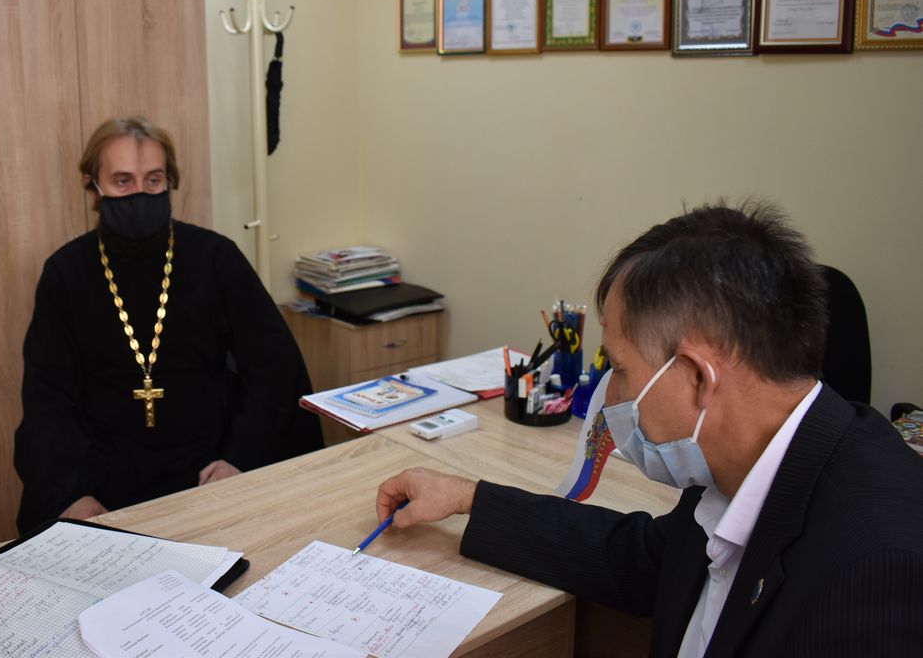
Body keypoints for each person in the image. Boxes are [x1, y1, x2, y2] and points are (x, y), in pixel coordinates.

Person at [376, 202, 923, 657]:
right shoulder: (746, 464)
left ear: (698, 377)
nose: (610, 398)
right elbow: (641, 560)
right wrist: (467, 497)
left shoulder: (876, 568)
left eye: (618, 368)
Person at [15, 116, 322, 532]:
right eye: (122, 181)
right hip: (103, 474)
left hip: (208, 467)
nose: (140, 194)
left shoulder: (216, 258)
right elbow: (47, 397)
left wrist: (240, 459)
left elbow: (274, 368)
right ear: (93, 185)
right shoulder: (66, 273)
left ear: (169, 181)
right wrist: (72, 491)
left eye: (153, 180)